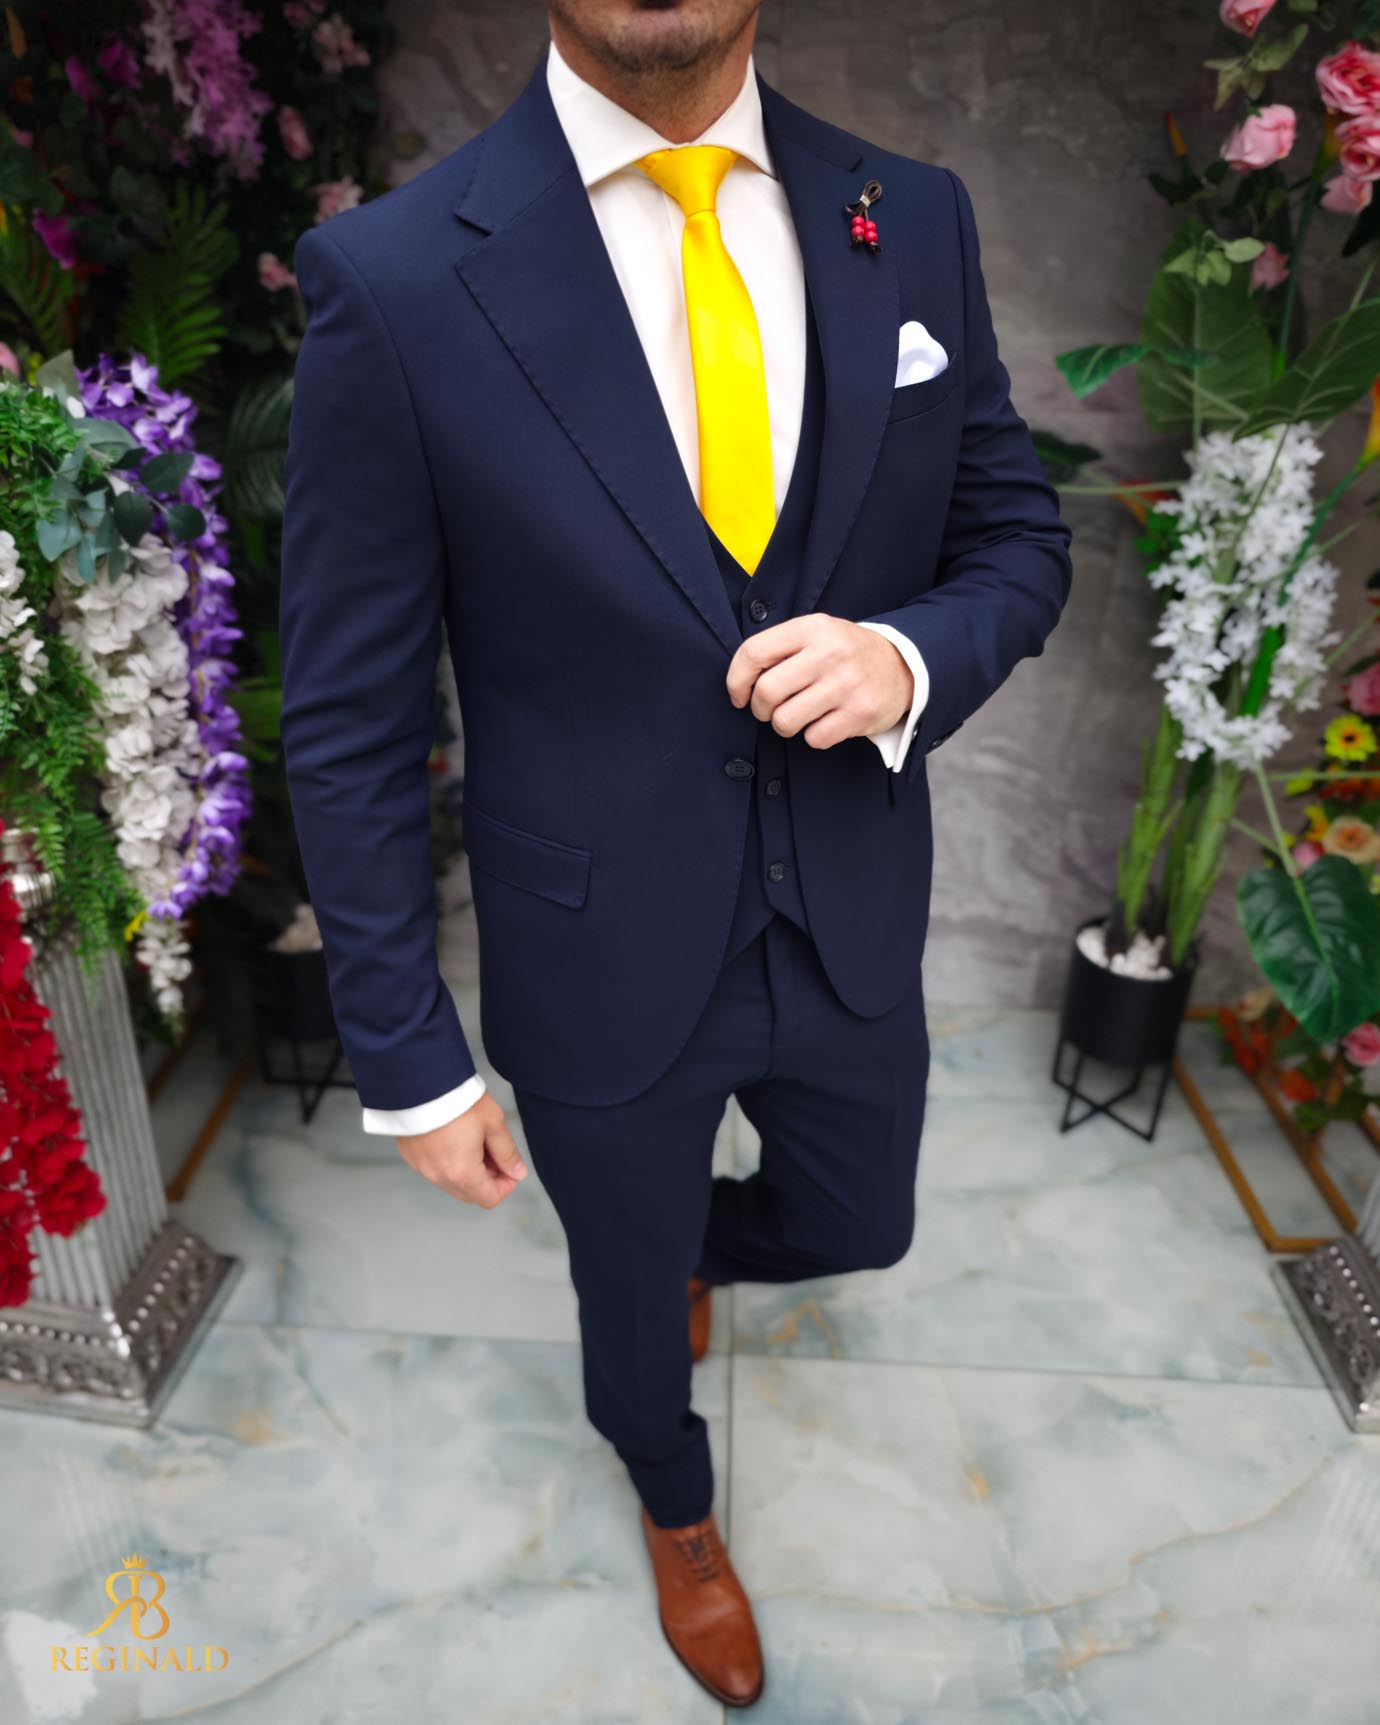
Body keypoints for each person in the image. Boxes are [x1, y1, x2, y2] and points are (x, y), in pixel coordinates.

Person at [280, 0, 1072, 1706]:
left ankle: (685, 1255)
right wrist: (411, 1056)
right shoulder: (395, 279)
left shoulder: (912, 214)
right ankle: (672, 1497)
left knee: (862, 1223)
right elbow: (348, 712)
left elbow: (1013, 530)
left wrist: (910, 658)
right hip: (593, 942)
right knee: (626, 1300)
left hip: (846, 904)